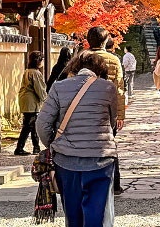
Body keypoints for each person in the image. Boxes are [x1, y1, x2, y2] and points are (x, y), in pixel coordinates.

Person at [37, 51, 118, 227]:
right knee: (96, 215)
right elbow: (112, 122)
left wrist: (54, 145)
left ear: (75, 68)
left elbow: (42, 124)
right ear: (99, 70)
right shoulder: (108, 88)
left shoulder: (59, 87)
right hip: (100, 159)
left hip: (66, 161)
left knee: (73, 215)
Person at [86, 26, 125, 195]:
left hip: (84, 108)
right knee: (109, 146)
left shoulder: (81, 58)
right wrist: (120, 114)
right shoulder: (114, 60)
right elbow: (120, 89)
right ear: (105, 41)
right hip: (107, 110)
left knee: (85, 146)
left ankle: (89, 182)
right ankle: (114, 184)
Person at [16, 50, 47, 155]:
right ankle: (20, 148)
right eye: (42, 59)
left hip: (26, 100)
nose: (43, 62)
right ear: (39, 61)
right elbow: (40, 90)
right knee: (29, 126)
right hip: (31, 102)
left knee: (32, 125)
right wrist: (46, 101)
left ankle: (36, 147)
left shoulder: (28, 71)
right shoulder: (36, 73)